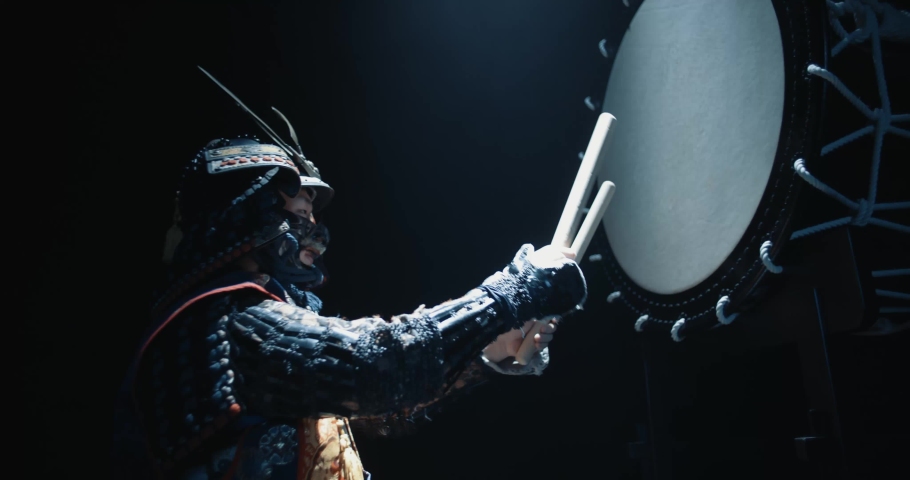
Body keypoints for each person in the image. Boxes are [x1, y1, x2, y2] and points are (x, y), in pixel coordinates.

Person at [112, 135, 587, 480]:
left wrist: (485, 350)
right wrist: (512, 292)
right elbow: (376, 367)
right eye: (296, 216)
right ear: (242, 218)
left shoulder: (236, 318)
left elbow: (369, 406)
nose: (313, 235)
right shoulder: (224, 320)